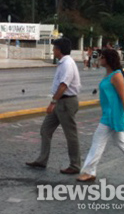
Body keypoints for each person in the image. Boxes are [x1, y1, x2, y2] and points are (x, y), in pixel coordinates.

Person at [77, 49, 124, 183]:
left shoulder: (116, 75)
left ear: (108, 60)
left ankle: (89, 172)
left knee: (97, 142)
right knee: (121, 142)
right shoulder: (110, 74)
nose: (99, 59)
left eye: (102, 57)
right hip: (109, 113)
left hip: (112, 115)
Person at [26, 37, 82, 175]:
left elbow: (64, 85)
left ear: (59, 50)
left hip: (66, 102)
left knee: (70, 135)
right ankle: (42, 160)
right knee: (45, 129)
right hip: (60, 102)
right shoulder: (63, 63)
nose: (53, 50)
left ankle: (75, 165)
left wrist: (53, 102)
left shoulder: (67, 63)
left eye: (54, 48)